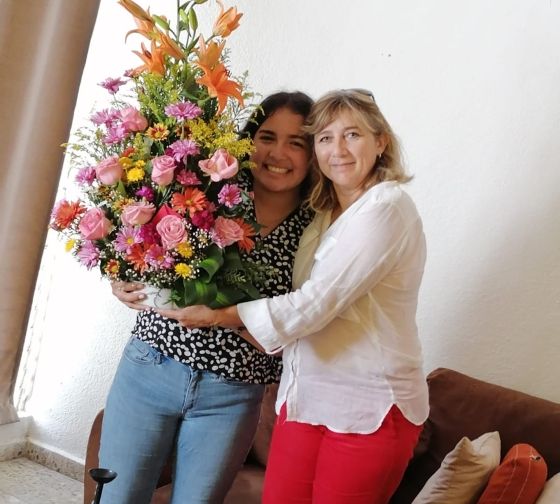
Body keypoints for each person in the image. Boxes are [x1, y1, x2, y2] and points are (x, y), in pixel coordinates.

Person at [159, 89, 429, 504]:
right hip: (304, 397)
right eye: (324, 138)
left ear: (381, 142)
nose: (337, 149)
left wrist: (217, 316)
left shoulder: (386, 208)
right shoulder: (322, 216)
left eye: (352, 134)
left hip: (369, 408)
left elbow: (314, 304)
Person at [99, 91, 315, 504]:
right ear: (248, 140)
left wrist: (226, 317)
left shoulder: (319, 232)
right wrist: (121, 276)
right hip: (151, 365)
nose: (278, 153)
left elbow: (296, 334)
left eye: (296, 142)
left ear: (312, 155)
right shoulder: (208, 193)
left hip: (232, 395)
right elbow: (144, 247)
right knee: (117, 497)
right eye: (267, 136)